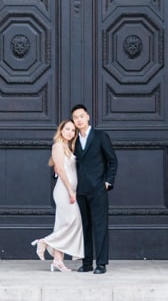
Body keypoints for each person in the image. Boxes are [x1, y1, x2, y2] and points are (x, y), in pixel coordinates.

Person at [70, 103, 117, 274]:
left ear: (88, 117)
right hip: (80, 190)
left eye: (81, 116)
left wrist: (108, 182)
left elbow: (112, 161)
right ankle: (87, 262)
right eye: (75, 118)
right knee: (84, 227)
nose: (79, 120)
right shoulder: (73, 140)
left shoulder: (100, 136)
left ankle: (101, 264)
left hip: (98, 189)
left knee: (100, 226)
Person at [31, 119, 83, 272]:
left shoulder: (68, 147)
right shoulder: (58, 146)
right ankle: (45, 242)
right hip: (64, 191)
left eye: (73, 130)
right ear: (61, 130)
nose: (70, 132)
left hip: (69, 190)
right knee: (74, 221)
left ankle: (58, 261)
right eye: (67, 129)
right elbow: (60, 170)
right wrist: (70, 190)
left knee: (61, 224)